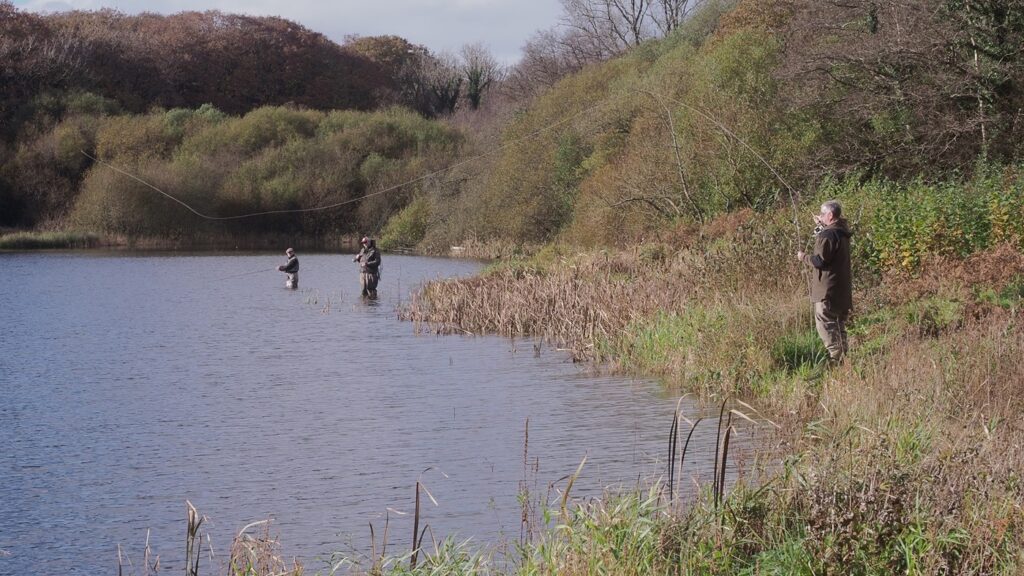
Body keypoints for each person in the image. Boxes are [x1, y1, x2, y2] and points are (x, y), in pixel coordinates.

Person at [797, 200, 852, 363]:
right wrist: (821, 225)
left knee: (826, 325)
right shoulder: (842, 232)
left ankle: (836, 360)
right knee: (838, 325)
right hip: (841, 289)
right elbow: (829, 244)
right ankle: (844, 359)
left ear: (830, 215)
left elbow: (820, 260)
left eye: (822, 214)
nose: (819, 216)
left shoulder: (827, 234)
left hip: (827, 290)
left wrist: (803, 257)